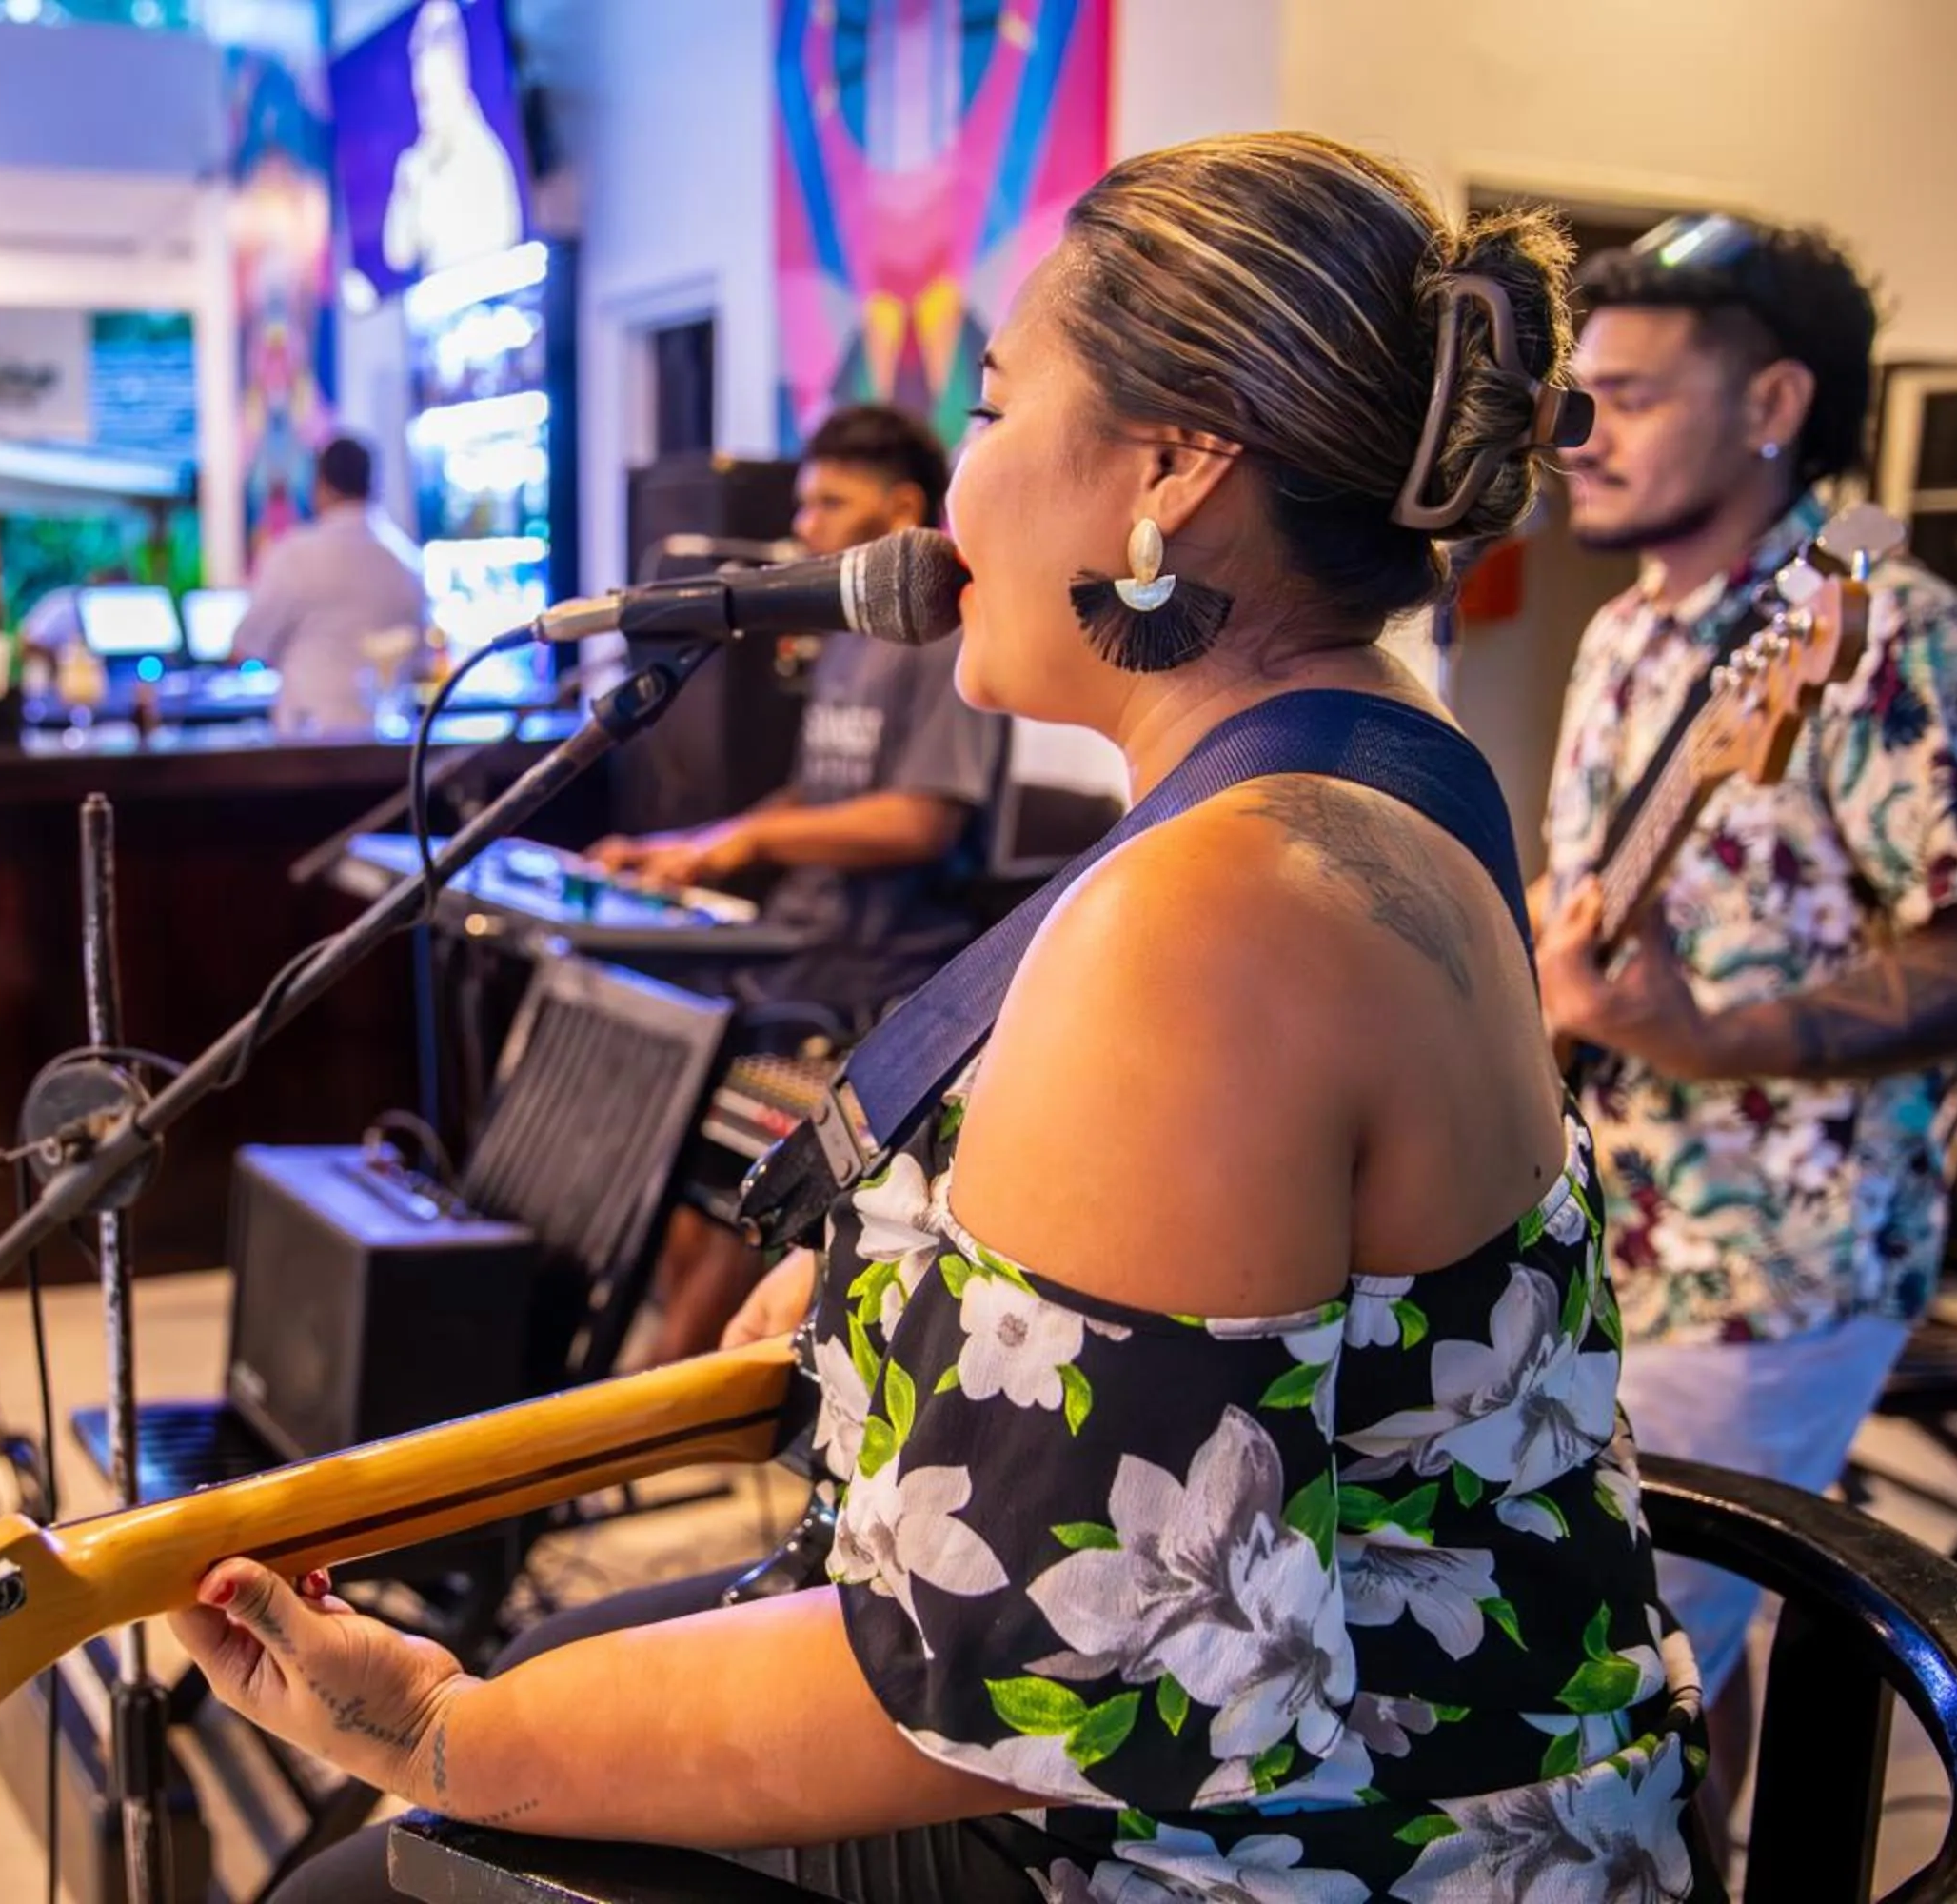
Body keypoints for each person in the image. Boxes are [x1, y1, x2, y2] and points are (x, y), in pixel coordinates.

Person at [172, 133, 1709, 1902]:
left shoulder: (1222, 915)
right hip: (1343, 1771)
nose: (946, 498)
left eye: (989, 409)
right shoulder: (1370, 773)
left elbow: (1067, 1679)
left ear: (1174, 462)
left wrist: (442, 1732)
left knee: (362, 1886)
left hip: (1264, 1849)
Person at [1534, 214, 1957, 1841]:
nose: (1572, 438)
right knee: (1675, 1652)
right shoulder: (1625, 636)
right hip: (1623, 1223)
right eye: (1570, 397)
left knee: (1619, 1672)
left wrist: (1719, 1036)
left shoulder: (1887, 634)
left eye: (1627, 398)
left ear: (1774, 401)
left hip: (1782, 1254)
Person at [593, 404, 1006, 1364]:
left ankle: (657, 1409)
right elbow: (818, 791)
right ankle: (667, 1394)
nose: (804, 525)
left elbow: (920, 817)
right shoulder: (849, 636)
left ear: (904, 508)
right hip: (796, 950)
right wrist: (697, 841)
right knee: (666, 1124)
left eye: (830, 502)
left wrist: (755, 836)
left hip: (868, 975)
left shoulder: (942, 642)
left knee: (727, 1138)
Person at [232, 435, 429, 736]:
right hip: (389, 748)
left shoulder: (294, 555)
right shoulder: (408, 562)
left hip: (309, 750)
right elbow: (422, 662)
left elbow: (246, 646)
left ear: (320, 486)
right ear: (373, 484)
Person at [380, 0, 524, 284]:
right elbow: (398, 255)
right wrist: (405, 190)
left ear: (460, 69)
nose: (426, 111)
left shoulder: (485, 159)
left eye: (432, 99)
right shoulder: (416, 164)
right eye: (422, 100)